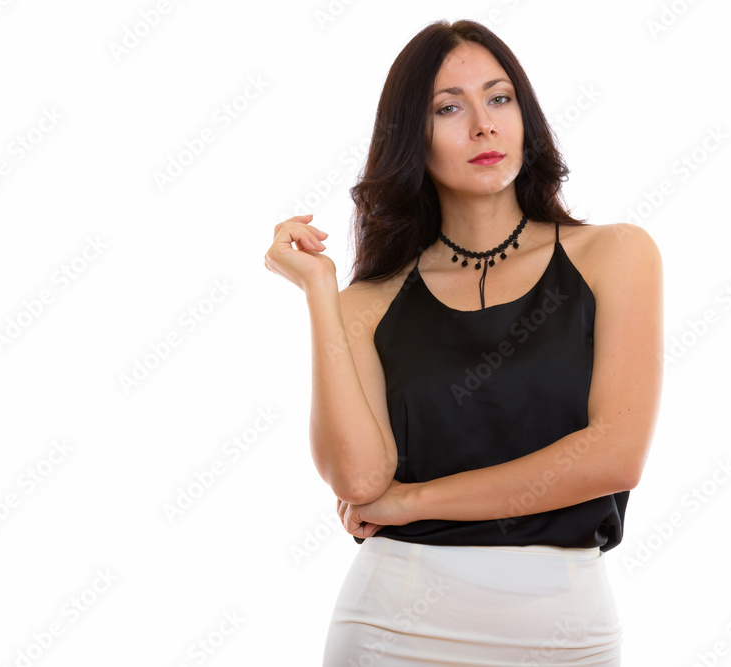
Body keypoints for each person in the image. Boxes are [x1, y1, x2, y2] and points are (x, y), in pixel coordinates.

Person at [263, 19, 662, 666]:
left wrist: (413, 500)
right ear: (409, 140)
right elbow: (362, 478)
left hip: (564, 633)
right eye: (449, 108)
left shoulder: (615, 255)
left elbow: (614, 456)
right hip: (390, 628)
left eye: (499, 98)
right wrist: (318, 290)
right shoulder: (368, 301)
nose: (483, 124)